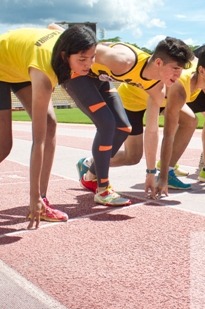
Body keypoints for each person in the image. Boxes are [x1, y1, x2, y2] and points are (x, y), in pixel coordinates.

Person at [0, 25, 72, 229]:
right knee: (1, 145)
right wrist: (31, 196)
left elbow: (53, 25)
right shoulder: (47, 64)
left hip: (21, 67)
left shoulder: (74, 42)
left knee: (49, 123)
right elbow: (38, 140)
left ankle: (43, 200)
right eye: (82, 60)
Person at [82, 38, 194, 197]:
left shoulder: (158, 87)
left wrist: (150, 173)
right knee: (110, 125)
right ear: (159, 62)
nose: (178, 74)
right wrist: (56, 31)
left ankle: (91, 164)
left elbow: (152, 131)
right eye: (175, 68)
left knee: (132, 153)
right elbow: (79, 44)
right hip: (78, 73)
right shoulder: (123, 60)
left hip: (100, 79)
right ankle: (101, 187)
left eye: (181, 69)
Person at [155, 46, 205, 196]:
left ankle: (169, 170)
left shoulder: (199, 80)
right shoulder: (182, 85)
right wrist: (162, 177)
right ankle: (98, 165)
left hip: (160, 99)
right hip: (140, 98)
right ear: (202, 70)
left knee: (190, 121)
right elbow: (168, 134)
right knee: (131, 154)